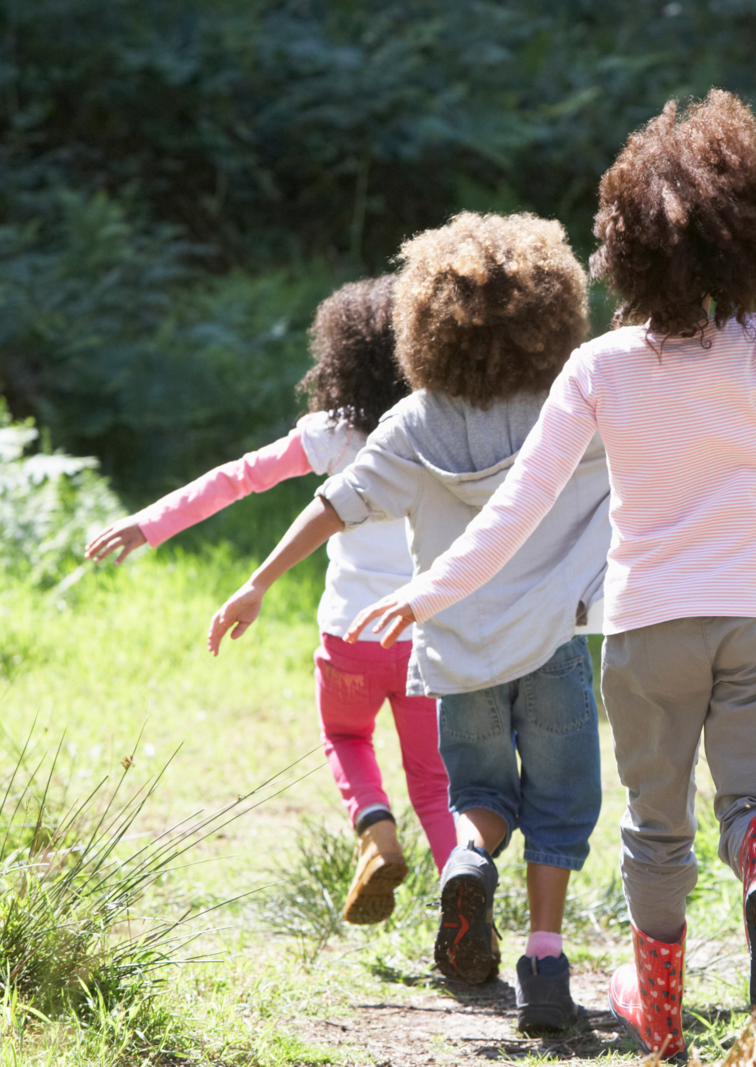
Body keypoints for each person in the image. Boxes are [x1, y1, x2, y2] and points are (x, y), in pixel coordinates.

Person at [347, 91, 756, 1055]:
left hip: (647, 627)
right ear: (743, 239)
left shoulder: (597, 367)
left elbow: (519, 506)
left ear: (620, 249)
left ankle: (662, 1012)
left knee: (654, 826)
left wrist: (429, 590)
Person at [208, 211, 611, 1034]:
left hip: (455, 653)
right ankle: (544, 963)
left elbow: (332, 504)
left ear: (423, 320)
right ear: (551, 309)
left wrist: (256, 582)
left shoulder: (415, 421)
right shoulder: (567, 406)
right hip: (552, 646)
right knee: (561, 808)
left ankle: (467, 861)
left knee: (483, 795)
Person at [84, 275, 455, 924]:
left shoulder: (335, 433)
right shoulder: (443, 428)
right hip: (426, 637)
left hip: (350, 638)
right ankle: (464, 895)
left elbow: (238, 478)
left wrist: (150, 523)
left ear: (343, 357)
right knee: (434, 780)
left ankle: (375, 831)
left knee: (344, 733)